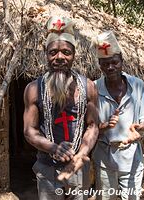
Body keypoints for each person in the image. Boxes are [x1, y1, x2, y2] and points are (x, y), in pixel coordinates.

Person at [23, 16, 99, 200]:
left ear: (74, 54)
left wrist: (81, 155)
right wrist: (52, 148)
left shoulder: (88, 87)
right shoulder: (33, 89)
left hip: (79, 169)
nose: (59, 58)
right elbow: (29, 131)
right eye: (53, 52)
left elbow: (93, 126)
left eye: (66, 52)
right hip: (47, 169)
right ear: (46, 54)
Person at [92, 31, 144, 200]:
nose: (110, 67)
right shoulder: (94, 88)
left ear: (122, 62)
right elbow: (89, 126)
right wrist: (103, 127)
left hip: (132, 156)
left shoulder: (137, 85)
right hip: (104, 157)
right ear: (99, 65)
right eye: (105, 64)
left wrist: (139, 128)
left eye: (114, 62)